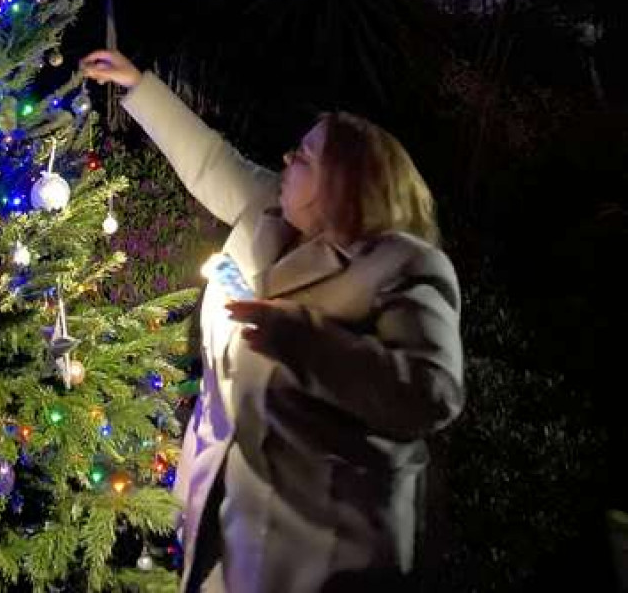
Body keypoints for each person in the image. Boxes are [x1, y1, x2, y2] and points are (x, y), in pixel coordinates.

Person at [79, 50, 464, 593]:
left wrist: (305, 342)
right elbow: (210, 161)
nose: (286, 160)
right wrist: (137, 84)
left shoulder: (403, 266)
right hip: (225, 524)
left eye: (304, 156)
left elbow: (431, 393)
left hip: (326, 553)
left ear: (342, 183)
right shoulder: (269, 210)